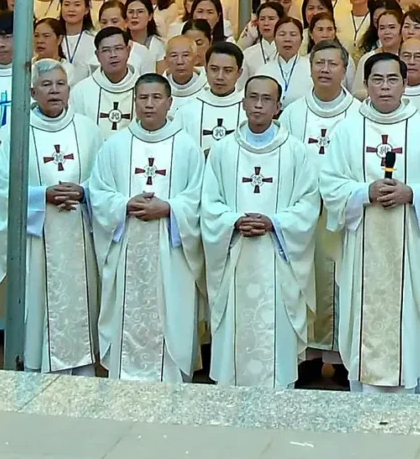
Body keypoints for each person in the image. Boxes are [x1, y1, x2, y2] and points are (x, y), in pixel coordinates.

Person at [319, 50, 420, 393]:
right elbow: (330, 184)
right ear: (365, 85)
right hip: (364, 245)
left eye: (392, 79)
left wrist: (413, 194)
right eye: (377, 80)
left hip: (413, 246)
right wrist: (364, 192)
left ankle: (418, 399)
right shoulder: (348, 131)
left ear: (404, 84)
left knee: (412, 326)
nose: (385, 87)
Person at [201, 72, 320, 388]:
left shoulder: (295, 152)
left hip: (278, 258)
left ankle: (278, 398)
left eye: (267, 99)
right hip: (235, 257)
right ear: (242, 103)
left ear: (278, 106)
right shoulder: (223, 150)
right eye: (253, 97)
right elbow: (208, 203)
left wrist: (275, 223)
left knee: (274, 339)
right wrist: (233, 221)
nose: (258, 105)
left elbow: (309, 204)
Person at [87, 72, 207, 382]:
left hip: (172, 248)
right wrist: (125, 204)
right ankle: (125, 375)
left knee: (171, 312)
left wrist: (169, 207)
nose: (149, 104)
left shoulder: (186, 147)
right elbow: (98, 193)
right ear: (134, 102)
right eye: (143, 98)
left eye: (156, 98)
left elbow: (198, 197)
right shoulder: (115, 146)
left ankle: (170, 378)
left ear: (169, 102)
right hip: (128, 244)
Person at [0, 58, 99, 374]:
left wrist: (83, 192)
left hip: (79, 233)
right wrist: (42, 195)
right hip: (36, 238)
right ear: (32, 91)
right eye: (46, 85)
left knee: (79, 305)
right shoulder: (17, 131)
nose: (54, 91)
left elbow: (106, 183)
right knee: (37, 302)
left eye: (60, 84)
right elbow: (2, 188)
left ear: (69, 89)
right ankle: (35, 365)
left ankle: (81, 367)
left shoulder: (88, 130)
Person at [281, 41, 358, 385]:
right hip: (303, 217)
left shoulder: (359, 114)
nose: (325, 69)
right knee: (303, 280)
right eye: (319, 62)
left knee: (345, 281)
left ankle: (344, 358)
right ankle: (306, 356)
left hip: (343, 215)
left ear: (345, 70)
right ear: (310, 68)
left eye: (333, 63)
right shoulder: (293, 114)